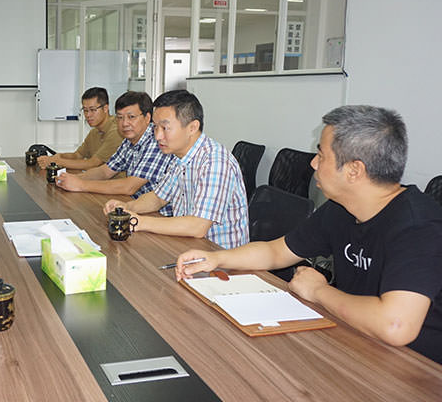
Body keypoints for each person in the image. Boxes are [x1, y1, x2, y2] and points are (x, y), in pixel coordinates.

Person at [176, 105, 442, 363]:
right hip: (358, 339)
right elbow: (276, 252)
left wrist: (319, 291)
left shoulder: (418, 226)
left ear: (354, 170)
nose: (313, 163)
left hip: (417, 367)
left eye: (321, 155)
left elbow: (396, 326)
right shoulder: (341, 208)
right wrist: (217, 259)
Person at [104, 90, 248, 249]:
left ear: (192, 127)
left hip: (219, 255)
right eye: (155, 127)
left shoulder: (215, 162)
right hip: (188, 246)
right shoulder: (178, 156)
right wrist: (126, 208)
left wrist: (140, 222)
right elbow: (158, 198)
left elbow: (197, 226)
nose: (158, 136)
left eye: (165, 128)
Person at [55, 91, 174, 215]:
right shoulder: (129, 141)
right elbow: (105, 171)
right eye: (120, 117)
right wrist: (71, 179)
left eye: (131, 117)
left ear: (147, 118)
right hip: (136, 206)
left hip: (158, 215)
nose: (124, 123)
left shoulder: (157, 141)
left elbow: (129, 187)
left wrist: (81, 185)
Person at [36, 87, 123, 171]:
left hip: (113, 180)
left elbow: (93, 163)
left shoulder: (117, 131)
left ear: (105, 108)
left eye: (92, 110)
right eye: (85, 110)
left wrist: (57, 161)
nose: (88, 115)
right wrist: (58, 156)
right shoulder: (94, 132)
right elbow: (78, 155)